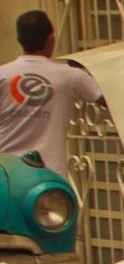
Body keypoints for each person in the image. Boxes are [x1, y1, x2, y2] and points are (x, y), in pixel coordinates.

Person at [1, 10, 101, 164]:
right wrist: (100, 64)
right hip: (50, 177)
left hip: (7, 175)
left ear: (19, 40)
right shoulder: (69, 76)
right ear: (51, 39)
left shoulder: (2, 75)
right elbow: (110, 99)